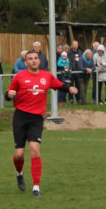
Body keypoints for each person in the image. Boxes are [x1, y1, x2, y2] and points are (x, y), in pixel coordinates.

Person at [7, 49, 77, 197]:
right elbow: (9, 94)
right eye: (30, 58)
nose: (33, 60)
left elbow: (59, 85)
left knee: (34, 149)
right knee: (19, 154)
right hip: (20, 117)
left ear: (39, 60)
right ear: (25, 62)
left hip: (36, 119)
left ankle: (36, 187)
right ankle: (19, 173)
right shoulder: (19, 76)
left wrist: (69, 88)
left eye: (36, 58)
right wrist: (9, 94)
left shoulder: (47, 76)